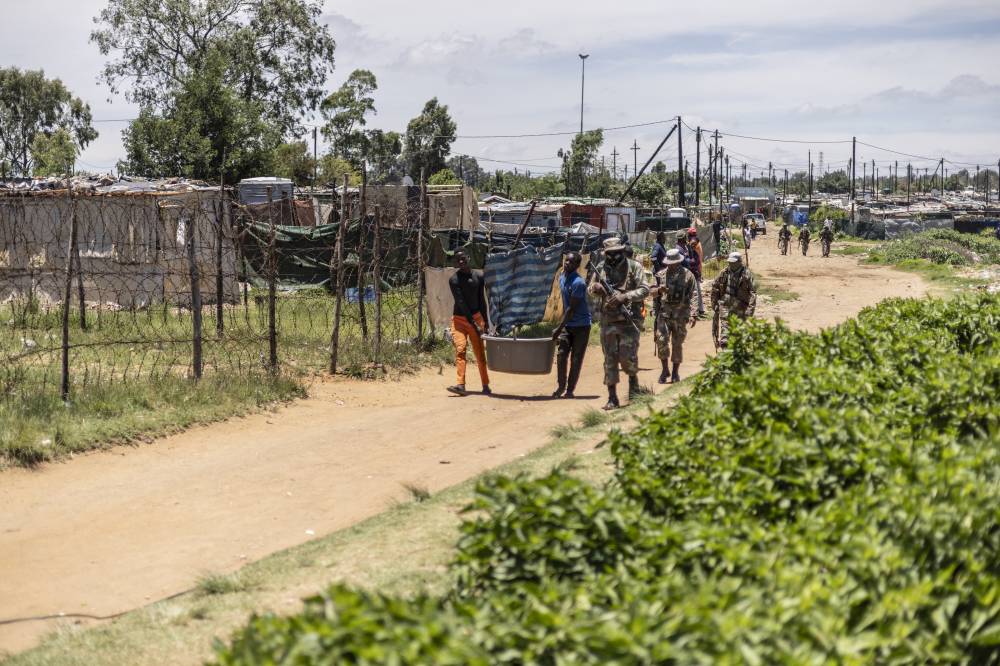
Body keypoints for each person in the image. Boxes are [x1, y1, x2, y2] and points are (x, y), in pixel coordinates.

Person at [588, 237, 649, 410]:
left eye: (617, 253)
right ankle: (612, 397)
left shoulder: (634, 267)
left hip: (629, 322)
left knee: (627, 357)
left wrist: (625, 296)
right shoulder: (600, 268)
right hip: (608, 321)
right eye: (610, 254)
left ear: (622, 251)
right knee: (609, 359)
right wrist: (595, 289)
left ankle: (633, 388)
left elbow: (645, 289)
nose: (613, 257)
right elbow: (590, 289)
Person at [446, 251, 491, 396]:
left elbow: (481, 301)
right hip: (459, 320)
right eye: (458, 260)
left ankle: (485, 385)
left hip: (477, 318)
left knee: (479, 354)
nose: (461, 262)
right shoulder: (454, 280)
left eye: (463, 258)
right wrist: (473, 324)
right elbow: (461, 303)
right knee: (461, 349)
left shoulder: (479, 277)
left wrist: (485, 322)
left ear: (468, 258)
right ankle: (460, 385)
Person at [653, 248, 697, 384]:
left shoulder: (688, 275)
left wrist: (693, 313)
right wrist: (657, 292)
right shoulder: (660, 275)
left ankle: (675, 372)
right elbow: (652, 293)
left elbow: (694, 295)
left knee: (677, 344)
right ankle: (665, 369)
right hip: (664, 314)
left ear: (678, 262)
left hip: (680, 315)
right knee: (661, 341)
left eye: (674, 263)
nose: (671, 265)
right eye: (669, 263)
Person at [551, 252, 591, 399]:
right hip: (568, 324)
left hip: (581, 326)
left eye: (571, 262)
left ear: (577, 266)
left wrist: (558, 329)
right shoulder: (562, 278)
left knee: (576, 358)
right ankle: (560, 387)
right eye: (566, 260)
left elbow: (571, 310)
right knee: (561, 356)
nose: (567, 263)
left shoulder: (578, 283)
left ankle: (570, 390)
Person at [711, 251, 758, 350]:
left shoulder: (747, 274)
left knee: (739, 332)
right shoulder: (724, 273)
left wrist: (750, 311)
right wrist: (714, 303)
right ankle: (725, 349)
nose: (731, 264)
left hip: (741, 308)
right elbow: (715, 287)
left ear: (740, 262)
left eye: (733, 262)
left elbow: (753, 293)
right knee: (725, 331)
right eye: (730, 262)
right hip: (726, 306)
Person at [686, 228, 706, 317]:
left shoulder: (693, 243)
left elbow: (696, 259)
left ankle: (697, 309)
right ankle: (701, 309)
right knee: (697, 289)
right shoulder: (698, 242)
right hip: (698, 268)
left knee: (695, 290)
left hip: (695, 269)